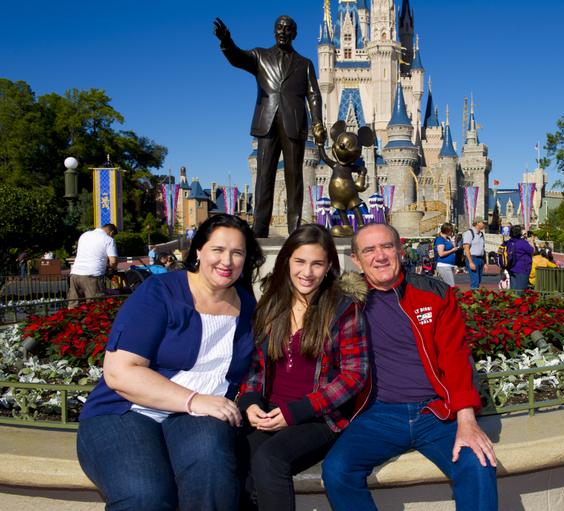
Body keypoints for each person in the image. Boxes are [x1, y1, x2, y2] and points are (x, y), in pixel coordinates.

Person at [76, 215, 264, 510]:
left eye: (237, 252)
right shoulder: (160, 292)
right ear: (198, 251)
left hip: (198, 417)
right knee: (145, 495)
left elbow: (259, 368)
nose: (227, 260)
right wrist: (194, 399)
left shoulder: (248, 307)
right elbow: (120, 372)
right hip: (126, 411)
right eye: (217, 249)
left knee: (213, 473)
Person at [321, 223, 498, 511]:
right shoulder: (345, 302)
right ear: (356, 260)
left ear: (400, 251)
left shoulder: (434, 293)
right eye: (369, 250)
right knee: (337, 470)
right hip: (377, 414)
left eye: (387, 247)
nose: (380, 256)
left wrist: (466, 420)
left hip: (436, 413)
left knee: (478, 462)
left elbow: (456, 356)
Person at [238, 224, 369, 510]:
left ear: (328, 267)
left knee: (269, 459)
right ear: (286, 261)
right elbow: (255, 368)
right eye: (300, 261)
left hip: (320, 417)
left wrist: (296, 411)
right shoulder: (271, 306)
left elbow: (353, 376)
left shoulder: (343, 309)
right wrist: (249, 402)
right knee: (236, 456)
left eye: (317, 264)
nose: (307, 272)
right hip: (270, 411)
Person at [214, 16, 326, 238]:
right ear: (274, 32)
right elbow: (237, 58)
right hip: (266, 122)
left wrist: (317, 122)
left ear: (294, 34)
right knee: (264, 175)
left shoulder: (304, 64)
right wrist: (227, 42)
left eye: (288, 29)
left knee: (295, 177)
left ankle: (295, 228)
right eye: (279, 28)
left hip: (294, 123)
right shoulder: (260, 56)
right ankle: (260, 228)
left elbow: (314, 94)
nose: (283, 32)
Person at [68, 224, 119, 301]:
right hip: (92, 276)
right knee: (95, 306)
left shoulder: (84, 235)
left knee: (73, 306)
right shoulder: (108, 239)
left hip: (75, 274)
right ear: (111, 233)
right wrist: (111, 268)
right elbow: (113, 261)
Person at [504, 224, 534, 292]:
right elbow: (532, 250)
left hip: (511, 268)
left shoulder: (509, 242)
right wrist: (531, 241)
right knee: (520, 292)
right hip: (522, 270)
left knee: (513, 290)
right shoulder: (522, 243)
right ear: (519, 233)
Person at [462, 217, 486, 289]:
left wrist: (484, 263)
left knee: (478, 280)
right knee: (475, 281)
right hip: (473, 258)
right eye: (483, 223)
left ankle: (476, 296)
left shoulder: (481, 234)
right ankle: (474, 298)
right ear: (478, 223)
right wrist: (470, 262)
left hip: (480, 259)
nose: (484, 224)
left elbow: (483, 249)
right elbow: (466, 248)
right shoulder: (469, 233)